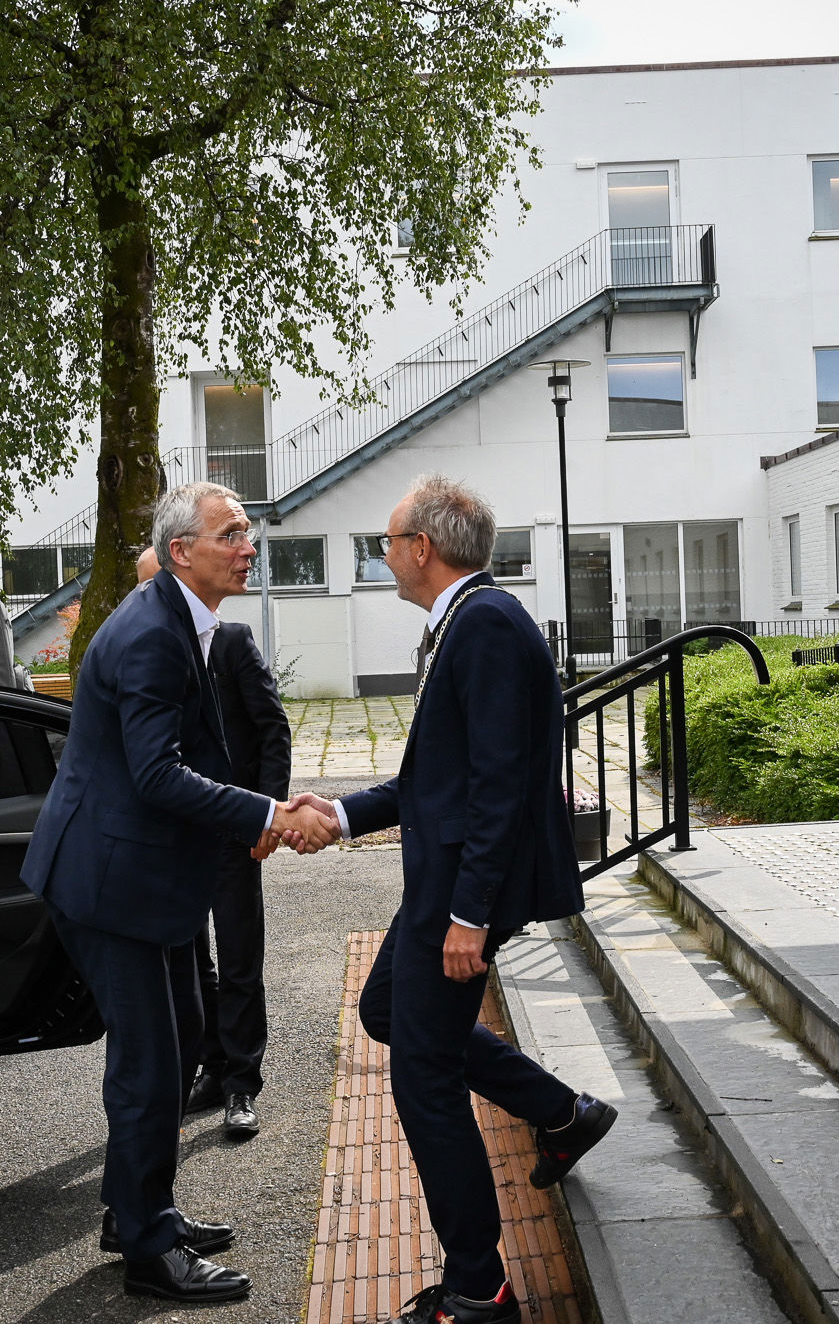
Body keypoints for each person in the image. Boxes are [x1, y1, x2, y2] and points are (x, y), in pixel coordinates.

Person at [287, 475, 615, 1324]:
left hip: (462, 893)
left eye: (389, 541)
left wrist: (469, 915)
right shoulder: (465, 623)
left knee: (424, 1078)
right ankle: (561, 1111)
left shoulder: (489, 626)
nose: (385, 554)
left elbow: (501, 787)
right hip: (445, 884)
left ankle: (480, 1286)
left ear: (423, 549)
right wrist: (342, 811)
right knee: (388, 1004)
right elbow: (434, 780)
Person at [18, 483, 337, 1305]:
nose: (249, 543)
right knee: (152, 1061)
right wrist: (268, 813)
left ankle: (137, 1208)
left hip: (142, 871)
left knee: (186, 1030)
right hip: (107, 877)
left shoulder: (182, 618)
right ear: (182, 550)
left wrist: (260, 814)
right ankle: (148, 1251)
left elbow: (193, 754)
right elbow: (159, 773)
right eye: (230, 532)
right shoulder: (154, 633)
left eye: (248, 531)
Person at [138, 547, 290, 1139]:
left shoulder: (231, 642)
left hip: (233, 828)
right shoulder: (148, 649)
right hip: (178, 835)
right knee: (191, 960)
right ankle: (212, 1066)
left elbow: (272, 728)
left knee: (238, 957)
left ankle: (241, 1085)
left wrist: (267, 816)